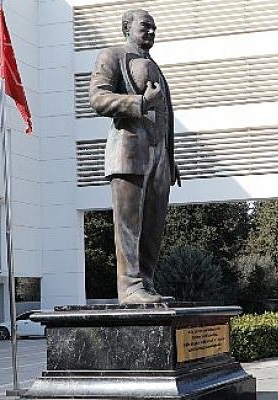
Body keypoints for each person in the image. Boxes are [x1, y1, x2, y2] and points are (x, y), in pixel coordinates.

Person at [88, 9, 182, 304]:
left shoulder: (155, 66)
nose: (152, 31)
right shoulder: (112, 55)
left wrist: (170, 157)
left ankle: (147, 284)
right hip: (128, 153)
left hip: (159, 158)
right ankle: (129, 287)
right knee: (129, 225)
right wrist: (140, 103)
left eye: (155, 27)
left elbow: (165, 117)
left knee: (153, 226)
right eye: (145, 26)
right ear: (127, 27)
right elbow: (97, 98)